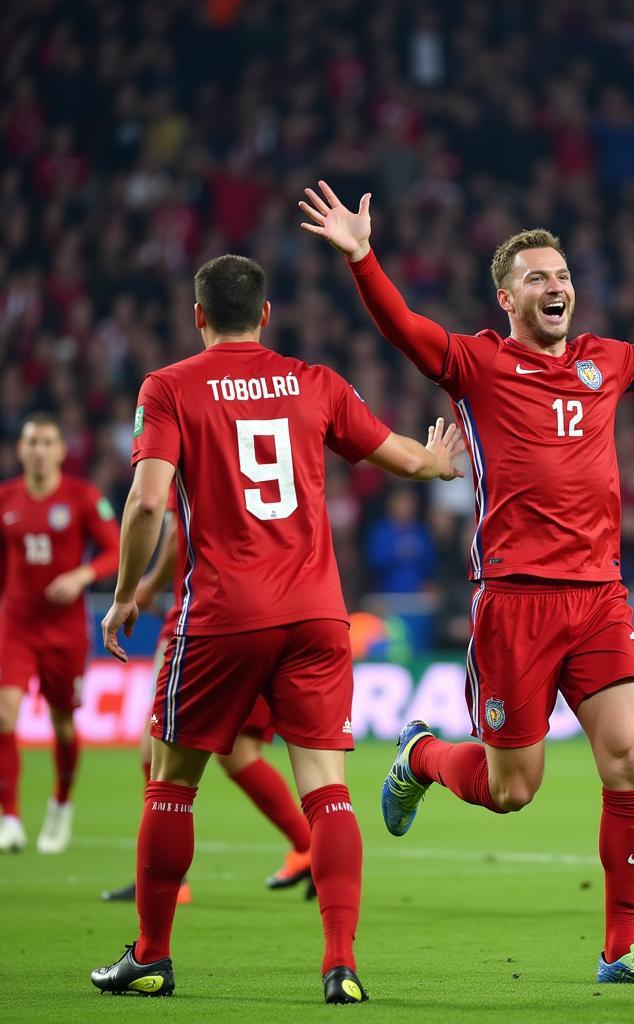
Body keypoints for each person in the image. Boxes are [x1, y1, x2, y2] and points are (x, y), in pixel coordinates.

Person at [299, 180, 634, 985]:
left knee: (628, 758)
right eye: (540, 278)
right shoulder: (476, 362)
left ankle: (622, 949)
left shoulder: (606, 362)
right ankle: (420, 755)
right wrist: (365, 259)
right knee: (513, 792)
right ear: (506, 296)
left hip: (600, 596)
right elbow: (406, 332)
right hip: (513, 601)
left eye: (565, 275)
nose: (559, 287)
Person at [90, 253, 463, 1003]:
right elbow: (401, 457)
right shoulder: (314, 381)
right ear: (266, 314)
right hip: (320, 615)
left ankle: (152, 956)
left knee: (172, 784)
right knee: (327, 792)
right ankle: (340, 965)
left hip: (223, 615)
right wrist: (437, 463)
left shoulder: (168, 387)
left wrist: (127, 592)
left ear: (198, 317)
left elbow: (145, 504)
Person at [101, 491, 316, 905]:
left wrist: (144, 585)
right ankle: (309, 848)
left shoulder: (192, 441)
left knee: (160, 747)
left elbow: (170, 528)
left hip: (205, 615)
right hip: (275, 608)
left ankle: (165, 877)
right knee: (239, 751)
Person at [0, 412, 120, 854]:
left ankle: (62, 804)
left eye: (47, 442)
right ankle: (9, 816)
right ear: (20, 449)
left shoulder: (82, 498)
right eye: (31, 442)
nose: (38, 449)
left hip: (65, 629)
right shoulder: (5, 498)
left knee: (64, 726)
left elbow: (114, 550)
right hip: (16, 624)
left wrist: (82, 575)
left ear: (61, 450)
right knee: (4, 716)